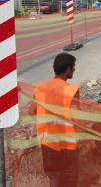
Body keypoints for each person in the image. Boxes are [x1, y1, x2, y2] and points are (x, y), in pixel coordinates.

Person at [34, 53, 80, 186]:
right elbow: (78, 119)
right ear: (67, 69)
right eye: (73, 67)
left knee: (54, 180)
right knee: (69, 181)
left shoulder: (39, 89)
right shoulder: (71, 90)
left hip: (47, 145)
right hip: (68, 146)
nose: (74, 70)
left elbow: (32, 111)